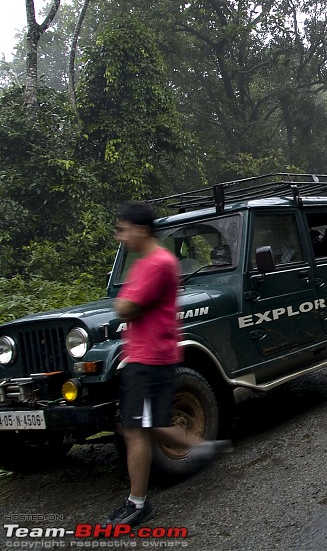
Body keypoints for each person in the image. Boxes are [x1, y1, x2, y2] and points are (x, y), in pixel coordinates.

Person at [109, 202, 232, 526]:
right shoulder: (147, 263)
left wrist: (124, 302)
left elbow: (126, 308)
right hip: (144, 355)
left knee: (137, 429)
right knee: (142, 426)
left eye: (123, 229)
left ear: (142, 229)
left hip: (149, 358)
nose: (120, 236)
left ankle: (138, 504)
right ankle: (205, 449)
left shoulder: (155, 264)